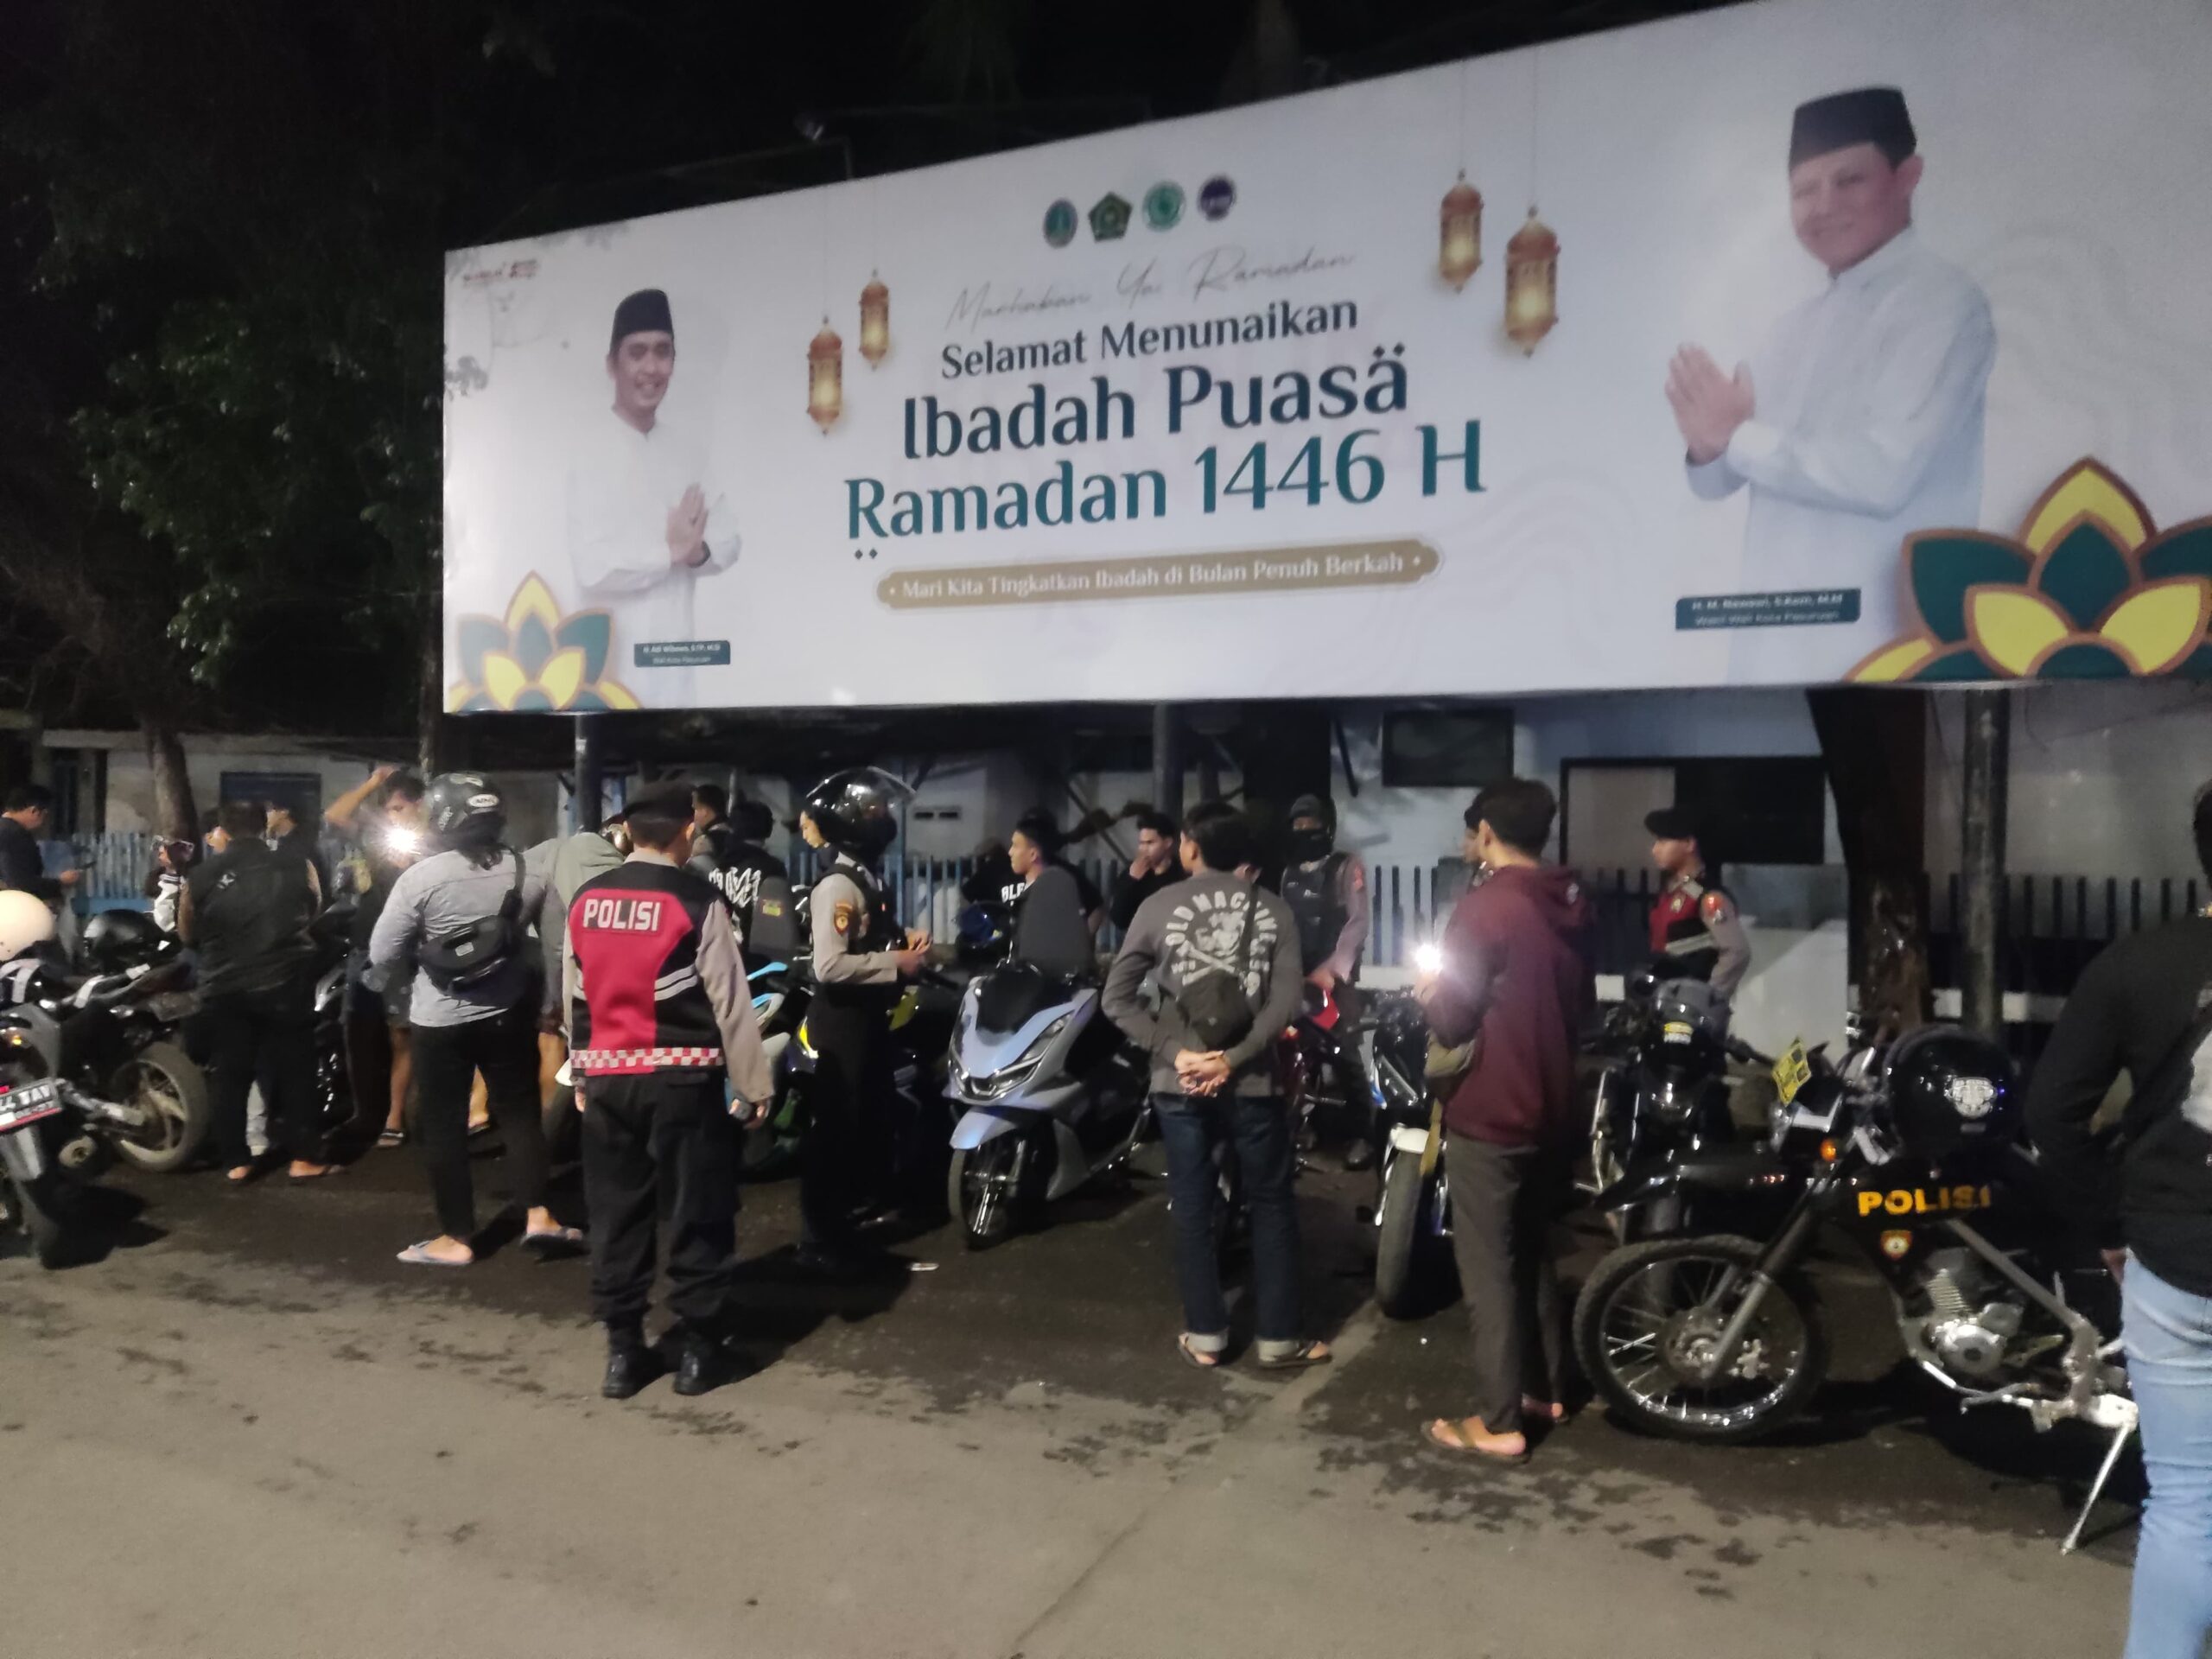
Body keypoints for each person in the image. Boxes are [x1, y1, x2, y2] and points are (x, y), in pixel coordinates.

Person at [1669, 86, 1995, 682]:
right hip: (1770, 651)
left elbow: (1883, 473)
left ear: (1907, 177)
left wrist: (1736, 435)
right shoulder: (1789, 329)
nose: (1823, 207)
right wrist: (1708, 446)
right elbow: (1720, 479)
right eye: (1804, 191)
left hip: (1884, 651)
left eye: (1849, 181)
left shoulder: (1942, 303)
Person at [2025, 781, 2212, 1659]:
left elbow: (2053, 1112)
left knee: (2185, 1501)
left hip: (2173, 1257)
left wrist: (2106, 1226)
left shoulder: (2136, 963)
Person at [1103, 800, 1329, 1373]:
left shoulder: (1157, 905)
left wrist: (1177, 1053)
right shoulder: (1274, 909)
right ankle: (1279, 1339)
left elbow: (1117, 999)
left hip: (1177, 1079)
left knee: (1192, 1203)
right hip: (1252, 1080)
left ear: (1191, 848)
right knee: (1271, 1203)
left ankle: (1206, 1335)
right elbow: (1286, 1003)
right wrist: (1233, 1059)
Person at [566, 782, 776, 1399]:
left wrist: (582, 1071)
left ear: (628, 833)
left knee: (616, 1213)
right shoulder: (697, 900)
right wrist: (753, 1083)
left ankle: (623, 1354)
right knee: (697, 1208)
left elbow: (574, 992)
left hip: (609, 1081)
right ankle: (699, 1353)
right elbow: (729, 1000)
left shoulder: (587, 900)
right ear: (687, 832)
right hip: (683, 1080)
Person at [1418, 779, 1593, 1463]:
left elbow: (1453, 1017)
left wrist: (1430, 992)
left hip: (1493, 1107)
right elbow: (1580, 1004)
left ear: (1487, 832)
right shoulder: (1570, 901)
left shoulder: (1485, 908)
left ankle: (1498, 1421)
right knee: (1534, 1252)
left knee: (1488, 1267)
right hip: (1554, 1105)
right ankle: (1546, 1390)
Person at [368, 772, 577, 1267]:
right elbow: (555, 948)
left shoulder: (420, 878)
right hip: (507, 1012)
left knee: (444, 1125)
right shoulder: (529, 871)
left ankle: (457, 1237)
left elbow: (381, 953)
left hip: (438, 1020)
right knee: (520, 1114)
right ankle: (539, 1214)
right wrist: (551, 1004)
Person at [567, 288, 739, 707]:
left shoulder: (688, 452)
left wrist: (697, 553)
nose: (651, 367)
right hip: (607, 681)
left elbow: (729, 540)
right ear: (612, 365)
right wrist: (669, 553)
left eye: (663, 352)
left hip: (676, 678)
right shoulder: (587, 449)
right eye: (637, 352)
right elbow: (593, 567)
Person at [798, 769, 932, 1272]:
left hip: (868, 1017)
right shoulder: (838, 884)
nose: (885, 817)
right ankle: (819, 1239)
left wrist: (905, 939)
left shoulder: (865, 877)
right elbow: (829, 965)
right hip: (842, 1022)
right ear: (851, 820)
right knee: (836, 1128)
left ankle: (846, 1225)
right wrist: (897, 962)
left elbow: (870, 936)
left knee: (865, 1123)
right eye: (875, 810)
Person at [178, 799, 337, 1183]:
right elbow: (315, 908)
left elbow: (186, 931)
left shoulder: (200, 876)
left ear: (224, 829)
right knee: (297, 1070)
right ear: (263, 824)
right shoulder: (298, 864)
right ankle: (304, 1158)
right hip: (286, 981)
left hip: (225, 986)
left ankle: (236, 1161)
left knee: (231, 1073)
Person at [327, 766, 428, 1148]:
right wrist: (371, 783)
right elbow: (335, 815)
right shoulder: (375, 839)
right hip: (365, 947)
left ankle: (395, 1117)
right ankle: (363, 1113)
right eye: (387, 810)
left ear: (420, 806)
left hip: (406, 950)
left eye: (398, 808)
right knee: (358, 1032)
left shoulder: (434, 845)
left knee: (401, 1034)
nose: (391, 816)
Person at [1277, 792, 1378, 1169]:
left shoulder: (1346, 867)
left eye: (1312, 824)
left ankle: (1363, 1135)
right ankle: (1305, 1126)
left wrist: (1333, 970)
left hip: (1334, 979)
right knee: (1298, 1052)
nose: (1304, 831)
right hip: (1296, 977)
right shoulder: (1288, 872)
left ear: (1328, 827)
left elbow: (1358, 922)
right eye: (1298, 825)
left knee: (1344, 1052)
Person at [1644, 806, 1751, 1002]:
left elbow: (1737, 951)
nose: (1655, 850)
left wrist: (1708, 998)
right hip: (1666, 1002)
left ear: (1689, 844)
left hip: (1689, 1007)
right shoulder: (1672, 894)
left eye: (1663, 841)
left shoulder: (1710, 898)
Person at [689, 791, 798, 972]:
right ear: (768, 829)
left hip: (714, 959)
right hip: (758, 964)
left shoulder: (713, 865)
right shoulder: (773, 868)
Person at [1008, 815, 1096, 977]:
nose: (1010, 852)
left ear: (1033, 854)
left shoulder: (1056, 891)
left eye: (1015, 846)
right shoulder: (1024, 889)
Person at [0, 785, 77, 904]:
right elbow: (20, 883)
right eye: (45, 815)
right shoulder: (16, 835)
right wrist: (60, 882)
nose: (44, 822)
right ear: (34, 811)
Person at [1109, 810, 1184, 932]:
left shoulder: (1183, 873)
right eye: (1141, 843)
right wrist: (1131, 880)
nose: (1143, 849)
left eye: (1150, 843)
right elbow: (1119, 920)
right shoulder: (1131, 873)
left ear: (1167, 843)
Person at [265, 798, 332, 898]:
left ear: (284, 812)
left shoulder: (293, 852)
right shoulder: (304, 843)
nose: (266, 816)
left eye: (269, 810)